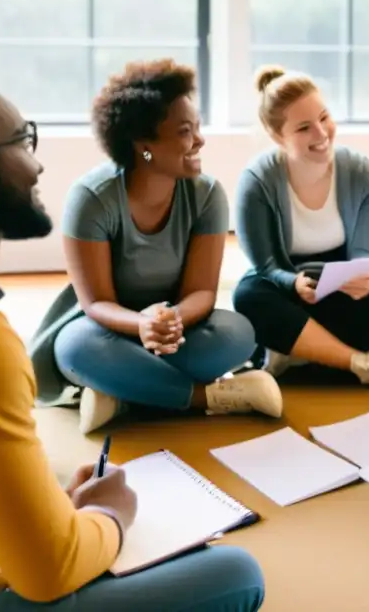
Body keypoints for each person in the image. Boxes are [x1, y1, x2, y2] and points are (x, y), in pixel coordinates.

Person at [0, 51, 265, 611]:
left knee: (238, 327)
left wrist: (50, 508)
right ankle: (184, 397)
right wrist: (109, 514)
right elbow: (50, 571)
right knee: (238, 574)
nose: (37, 165)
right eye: (23, 142)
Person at [29, 59, 282, 434]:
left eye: (197, 127)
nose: (200, 140)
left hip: (177, 332)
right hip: (106, 329)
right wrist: (141, 324)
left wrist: (170, 321)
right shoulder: (91, 199)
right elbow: (96, 303)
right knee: (74, 349)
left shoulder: (208, 195)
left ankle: (118, 394)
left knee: (238, 333)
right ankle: (209, 397)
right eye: (185, 131)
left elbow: (201, 292)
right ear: (144, 147)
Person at [231, 65, 369, 386]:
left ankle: (297, 348)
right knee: (248, 296)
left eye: (324, 118)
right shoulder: (257, 181)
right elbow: (266, 264)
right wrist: (293, 283)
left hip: (341, 291)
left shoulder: (364, 175)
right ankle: (359, 361)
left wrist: (362, 277)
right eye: (304, 128)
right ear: (276, 136)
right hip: (288, 289)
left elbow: (364, 256)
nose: (321, 135)